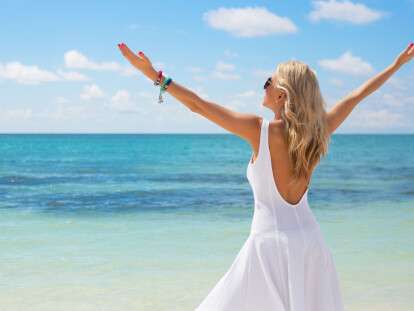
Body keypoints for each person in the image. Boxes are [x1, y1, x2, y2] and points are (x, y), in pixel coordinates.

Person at [117, 42, 414, 311]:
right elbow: (356, 96)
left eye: (267, 83)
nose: (263, 88)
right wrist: (397, 64)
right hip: (310, 244)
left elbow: (198, 106)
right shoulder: (317, 132)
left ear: (282, 94)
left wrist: (155, 76)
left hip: (267, 248)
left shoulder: (257, 130)